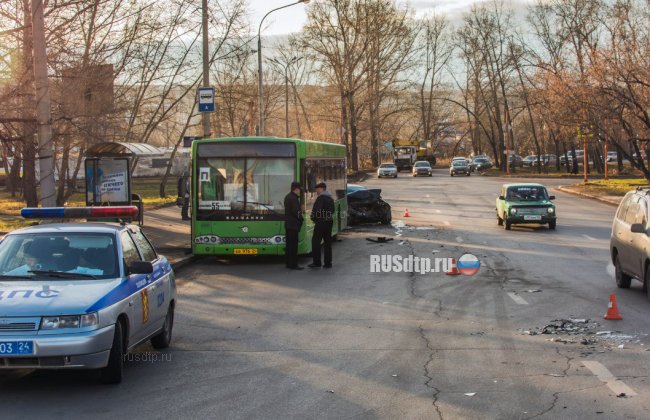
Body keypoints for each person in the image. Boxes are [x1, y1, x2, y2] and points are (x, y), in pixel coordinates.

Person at [309, 182, 335, 268]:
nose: (316, 190)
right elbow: (333, 211)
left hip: (321, 223)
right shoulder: (330, 198)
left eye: (317, 189)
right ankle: (328, 263)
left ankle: (317, 262)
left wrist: (314, 219)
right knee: (327, 243)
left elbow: (316, 211)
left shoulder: (321, 198)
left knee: (315, 242)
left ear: (322, 189)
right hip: (329, 222)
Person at [284, 181, 304, 270]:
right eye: (300, 189)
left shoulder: (288, 197)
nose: (300, 191)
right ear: (296, 189)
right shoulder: (293, 198)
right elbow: (297, 212)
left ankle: (288, 263)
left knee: (289, 245)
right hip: (293, 225)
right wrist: (301, 218)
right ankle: (294, 264)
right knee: (293, 246)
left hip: (288, 224)